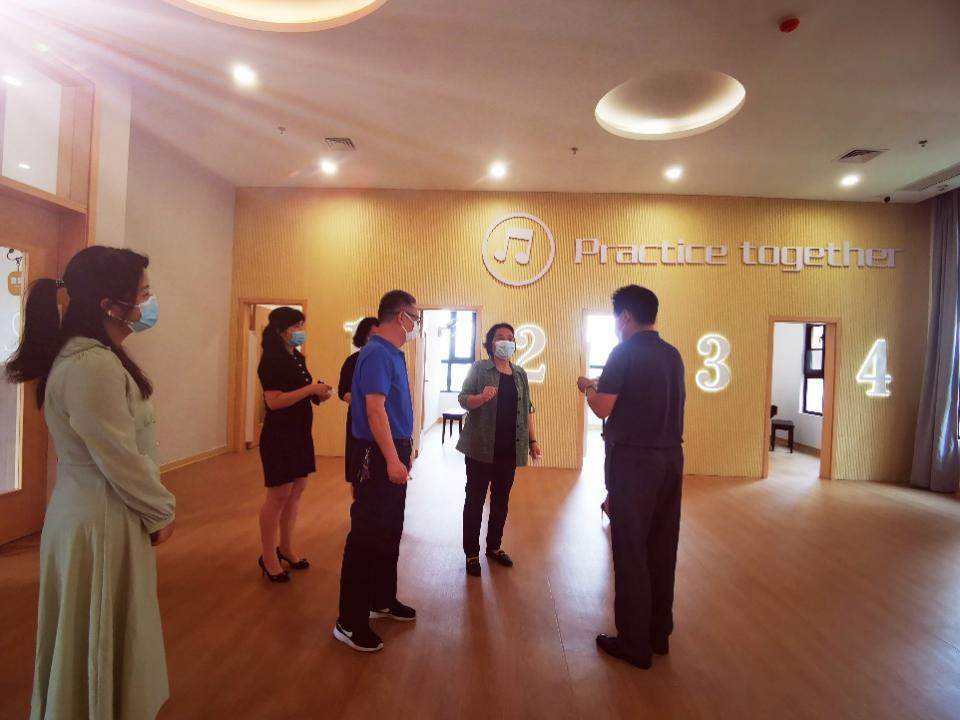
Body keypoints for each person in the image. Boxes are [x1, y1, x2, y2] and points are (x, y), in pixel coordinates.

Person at [6, 246, 176, 720]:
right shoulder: (91, 365)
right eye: (143, 294)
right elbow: (118, 458)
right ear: (110, 305)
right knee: (95, 636)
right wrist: (162, 510)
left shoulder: (97, 357)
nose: (149, 303)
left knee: (99, 633)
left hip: (100, 511)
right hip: (101, 517)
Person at [577, 285, 685, 670]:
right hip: (670, 460)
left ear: (624, 317)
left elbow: (603, 407)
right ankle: (658, 634)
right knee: (661, 547)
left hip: (634, 464)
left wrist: (588, 389)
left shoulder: (623, 352)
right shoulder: (672, 355)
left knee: (631, 551)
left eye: (615, 317)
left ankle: (633, 643)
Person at [334, 290, 420, 653]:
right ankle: (349, 621)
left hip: (393, 447)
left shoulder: (393, 353)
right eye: (415, 317)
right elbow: (374, 410)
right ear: (401, 317)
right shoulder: (375, 354)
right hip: (376, 453)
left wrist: (405, 449)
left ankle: (381, 599)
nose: (417, 324)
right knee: (367, 535)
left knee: (389, 530)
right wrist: (391, 459)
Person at [457, 323, 540, 577]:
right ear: (490, 343)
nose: (505, 341)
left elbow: (527, 409)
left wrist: (533, 441)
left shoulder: (520, 374)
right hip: (480, 448)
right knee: (475, 500)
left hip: (509, 449)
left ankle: (494, 546)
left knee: (501, 501)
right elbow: (463, 398)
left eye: (509, 338)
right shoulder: (479, 368)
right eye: (499, 337)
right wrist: (480, 398)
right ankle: (471, 553)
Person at [256, 306, 332, 582]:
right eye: (296, 326)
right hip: (279, 436)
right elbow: (274, 402)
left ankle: (286, 548)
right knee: (278, 494)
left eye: (302, 326)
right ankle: (268, 556)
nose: (301, 331)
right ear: (280, 330)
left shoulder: (296, 357)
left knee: (297, 490)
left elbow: (297, 392)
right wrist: (310, 389)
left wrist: (317, 394)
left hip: (299, 433)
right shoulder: (271, 360)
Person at [338, 317, 379, 497]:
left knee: (379, 469)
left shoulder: (385, 361)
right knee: (358, 469)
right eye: (372, 336)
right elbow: (343, 392)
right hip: (359, 421)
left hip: (381, 421)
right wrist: (363, 402)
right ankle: (359, 504)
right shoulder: (352, 361)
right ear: (363, 337)